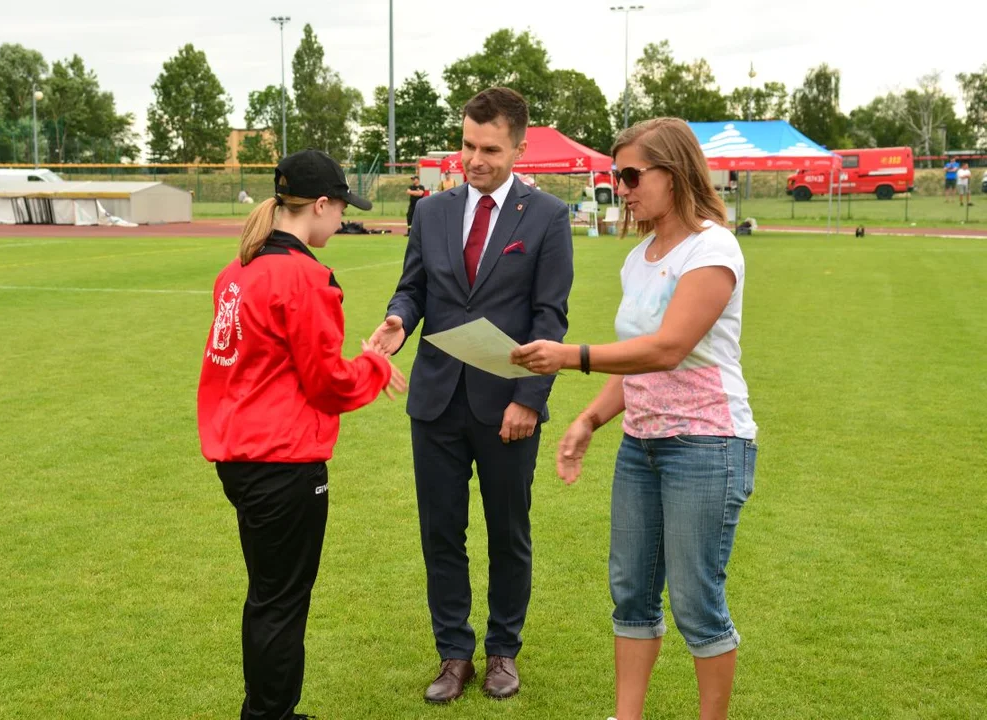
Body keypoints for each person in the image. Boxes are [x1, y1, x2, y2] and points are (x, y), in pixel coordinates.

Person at [509, 117, 758, 720]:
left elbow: (668, 347)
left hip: (706, 444)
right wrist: (589, 420)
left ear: (674, 173)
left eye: (630, 174)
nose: (619, 187)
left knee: (696, 600)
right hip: (641, 446)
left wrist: (571, 357)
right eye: (614, 175)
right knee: (631, 595)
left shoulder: (714, 248)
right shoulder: (639, 259)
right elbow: (638, 365)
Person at [369, 87, 573, 703]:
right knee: (441, 531)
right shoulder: (430, 212)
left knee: (508, 530)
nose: (474, 159)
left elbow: (549, 317)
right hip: (434, 401)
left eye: (489, 148)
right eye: (466, 145)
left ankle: (503, 652)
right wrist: (399, 320)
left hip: (506, 405)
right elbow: (414, 289)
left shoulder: (547, 217)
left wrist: (530, 400)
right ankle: (454, 654)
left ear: (519, 147)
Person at [197, 148, 408, 720]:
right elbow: (327, 383)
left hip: (241, 455)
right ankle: (271, 715)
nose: (341, 220)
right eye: (340, 208)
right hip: (281, 460)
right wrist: (376, 367)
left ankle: (268, 711)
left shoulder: (237, 270)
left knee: (269, 597)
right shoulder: (303, 276)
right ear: (319, 204)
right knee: (281, 603)